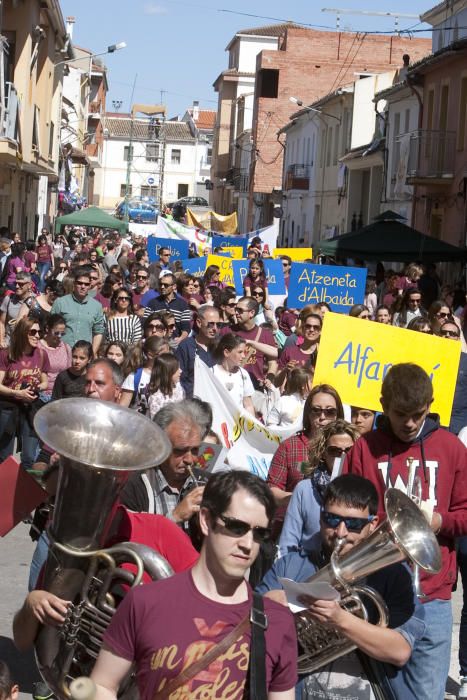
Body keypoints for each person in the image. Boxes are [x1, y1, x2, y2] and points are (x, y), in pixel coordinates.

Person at [91, 471, 297, 700]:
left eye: (260, 533)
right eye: (237, 527)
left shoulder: (276, 621)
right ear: (206, 521)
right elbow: (102, 685)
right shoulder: (145, 602)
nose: (248, 544)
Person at [345, 362, 467, 700]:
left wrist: (439, 521)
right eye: (401, 414)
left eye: (418, 414)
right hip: (379, 592)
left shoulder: (452, 448)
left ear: (429, 405)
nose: (411, 423)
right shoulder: (364, 447)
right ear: (383, 405)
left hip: (433, 596)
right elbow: (350, 512)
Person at [258, 474, 424, 700]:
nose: (341, 532)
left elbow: (400, 651)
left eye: (354, 523)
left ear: (372, 524)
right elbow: (252, 623)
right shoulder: (291, 565)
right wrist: (273, 602)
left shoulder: (394, 573)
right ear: (320, 517)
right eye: (331, 519)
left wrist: (339, 619)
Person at [266, 384, 344, 538]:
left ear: (337, 415)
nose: (322, 417)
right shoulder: (290, 446)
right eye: (316, 410)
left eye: (329, 412)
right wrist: (298, 499)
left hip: (336, 531)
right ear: (308, 413)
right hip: (293, 530)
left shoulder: (348, 448)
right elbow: (271, 491)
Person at [121, 400, 210, 525]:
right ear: (160, 446)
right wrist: (174, 517)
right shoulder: (134, 486)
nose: (189, 460)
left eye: (195, 450)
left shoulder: (208, 483)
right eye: (180, 451)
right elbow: (132, 538)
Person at [279, 420, 360, 555]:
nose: (343, 455)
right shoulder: (304, 489)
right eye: (334, 450)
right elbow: (288, 542)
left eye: (349, 450)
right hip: (309, 570)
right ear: (323, 453)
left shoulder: (364, 491)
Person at [0, 317, 50, 469]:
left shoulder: (41, 355)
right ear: (22, 333)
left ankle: (24, 490)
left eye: (39, 332)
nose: (37, 336)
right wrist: (17, 393)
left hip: (30, 408)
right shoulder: (6, 354)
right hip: (8, 407)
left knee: (29, 456)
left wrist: (37, 386)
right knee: (4, 455)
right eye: (33, 332)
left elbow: (45, 382)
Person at [51, 267, 105, 354]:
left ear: (90, 285)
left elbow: (98, 332)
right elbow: (51, 327)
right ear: (74, 284)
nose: (83, 286)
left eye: (86, 284)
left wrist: (92, 353)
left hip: (84, 355)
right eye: (80, 283)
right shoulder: (60, 302)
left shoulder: (97, 306)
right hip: (62, 352)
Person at [230, 297, 278, 390]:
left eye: (240, 310)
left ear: (251, 313)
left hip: (256, 387)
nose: (236, 313)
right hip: (232, 386)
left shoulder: (266, 334)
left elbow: (272, 362)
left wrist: (269, 378)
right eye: (236, 309)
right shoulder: (227, 331)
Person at [175, 304, 219, 398]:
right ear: (199, 323)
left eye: (218, 324)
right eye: (211, 324)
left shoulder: (221, 347)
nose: (215, 328)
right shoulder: (185, 346)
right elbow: (181, 379)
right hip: (194, 402)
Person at [119, 336, 170, 413]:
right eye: (163, 355)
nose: (168, 358)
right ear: (150, 355)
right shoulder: (135, 376)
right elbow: (122, 408)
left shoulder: (170, 375)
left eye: (169, 355)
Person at [212, 333, 255, 415]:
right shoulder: (212, 373)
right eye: (240, 352)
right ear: (226, 352)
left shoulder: (243, 374)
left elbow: (248, 405)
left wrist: (251, 427)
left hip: (237, 424)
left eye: (244, 352)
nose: (243, 356)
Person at [275, 311, 321, 388]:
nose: (311, 329)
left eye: (316, 327)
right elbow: (276, 383)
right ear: (303, 328)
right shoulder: (289, 351)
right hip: (292, 397)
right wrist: (285, 370)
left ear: (320, 331)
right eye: (308, 326)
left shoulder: (324, 354)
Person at [143, 272, 191, 346]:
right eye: (160, 284)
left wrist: (180, 339)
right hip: (156, 343)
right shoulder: (152, 303)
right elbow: (145, 324)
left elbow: (186, 328)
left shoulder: (182, 304)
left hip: (175, 342)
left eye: (166, 285)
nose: (162, 287)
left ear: (174, 286)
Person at [39, 314, 72, 402]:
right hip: (42, 394)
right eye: (56, 333)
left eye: (62, 333)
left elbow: (69, 372)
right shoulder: (38, 347)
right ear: (47, 329)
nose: (60, 336)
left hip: (61, 394)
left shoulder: (66, 347)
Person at [0, 272, 35, 347]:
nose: (16, 286)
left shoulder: (36, 302)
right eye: (16, 283)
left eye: (21, 284)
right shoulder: (9, 299)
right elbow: (1, 322)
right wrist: (2, 340)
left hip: (27, 347)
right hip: (9, 344)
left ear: (29, 285)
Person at [147, 353, 185, 419]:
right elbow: (156, 422)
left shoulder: (178, 386)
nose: (181, 371)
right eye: (177, 369)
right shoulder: (156, 397)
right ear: (168, 372)